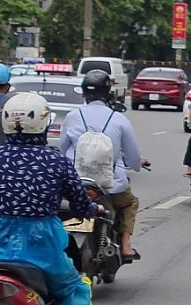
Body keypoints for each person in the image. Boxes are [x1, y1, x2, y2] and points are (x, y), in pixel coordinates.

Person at [0, 93, 102, 305]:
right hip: (41, 243)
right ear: (44, 124)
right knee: (74, 289)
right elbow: (80, 204)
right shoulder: (57, 161)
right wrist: (94, 209)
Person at [60, 70, 148, 262]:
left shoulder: (72, 117)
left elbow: (62, 149)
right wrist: (135, 165)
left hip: (75, 182)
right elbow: (133, 158)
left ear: (84, 93)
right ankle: (125, 246)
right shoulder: (119, 119)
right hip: (110, 185)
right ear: (108, 92)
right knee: (130, 202)